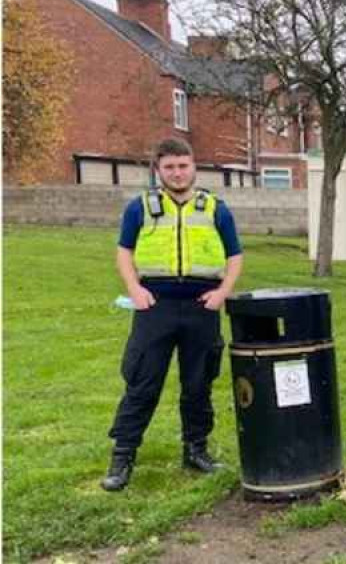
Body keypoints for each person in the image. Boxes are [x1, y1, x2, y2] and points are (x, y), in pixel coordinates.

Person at [101, 138, 243, 491]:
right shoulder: (141, 208)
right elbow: (124, 252)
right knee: (142, 382)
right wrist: (135, 290)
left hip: (201, 306)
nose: (177, 173)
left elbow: (234, 256)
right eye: (169, 167)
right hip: (155, 306)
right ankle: (123, 457)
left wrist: (223, 293)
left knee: (198, 383)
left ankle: (196, 450)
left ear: (193, 166)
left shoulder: (214, 208)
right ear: (158, 170)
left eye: (182, 165)